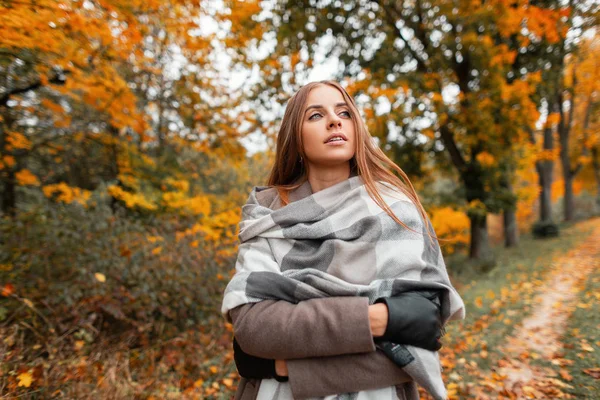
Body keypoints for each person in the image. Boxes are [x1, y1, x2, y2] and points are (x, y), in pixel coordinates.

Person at [221, 81, 465, 400]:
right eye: (315, 115)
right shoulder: (266, 216)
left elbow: (419, 336)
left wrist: (283, 366)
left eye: (344, 112)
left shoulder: (395, 211)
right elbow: (255, 329)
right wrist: (378, 319)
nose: (334, 121)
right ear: (295, 135)